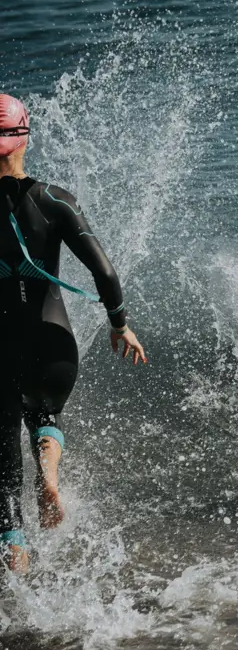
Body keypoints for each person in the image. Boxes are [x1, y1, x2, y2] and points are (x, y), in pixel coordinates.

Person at [0, 94, 148, 573]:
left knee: (2, 443)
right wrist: (119, 324)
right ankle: (49, 473)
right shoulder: (56, 199)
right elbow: (104, 271)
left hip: (3, 349)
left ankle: (15, 555)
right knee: (46, 411)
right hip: (54, 344)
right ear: (26, 136)